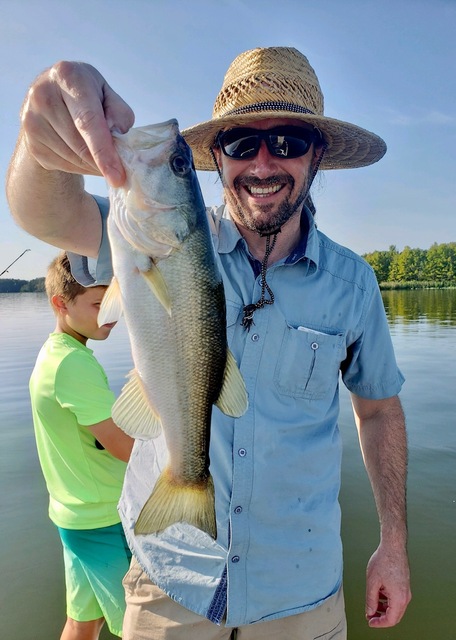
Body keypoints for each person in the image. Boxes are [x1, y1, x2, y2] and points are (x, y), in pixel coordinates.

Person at [7, 47, 411, 639]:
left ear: (317, 155)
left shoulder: (354, 286)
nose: (264, 162)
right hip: (172, 576)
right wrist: (40, 140)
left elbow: (378, 410)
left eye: (290, 141)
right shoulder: (151, 231)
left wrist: (394, 544)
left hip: (301, 589)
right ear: (217, 158)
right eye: (243, 143)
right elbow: (42, 211)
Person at [29, 251, 134, 640]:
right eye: (97, 304)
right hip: (103, 519)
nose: (110, 315)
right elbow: (123, 446)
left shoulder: (56, 354)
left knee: (82, 624)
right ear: (61, 304)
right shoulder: (73, 365)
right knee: (141, 628)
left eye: (113, 304)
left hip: (75, 516)